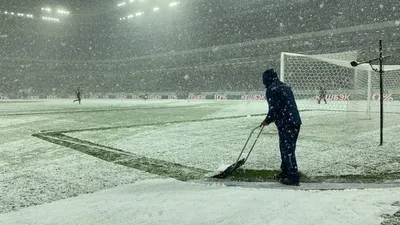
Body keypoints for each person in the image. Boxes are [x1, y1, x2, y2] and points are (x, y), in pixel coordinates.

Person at [260, 69, 302, 186]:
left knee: (286, 150)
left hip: (286, 123)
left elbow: (274, 109)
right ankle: (285, 173)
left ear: (266, 79)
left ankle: (292, 177)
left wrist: (267, 121)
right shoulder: (285, 86)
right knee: (288, 149)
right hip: (295, 122)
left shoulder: (271, 89)